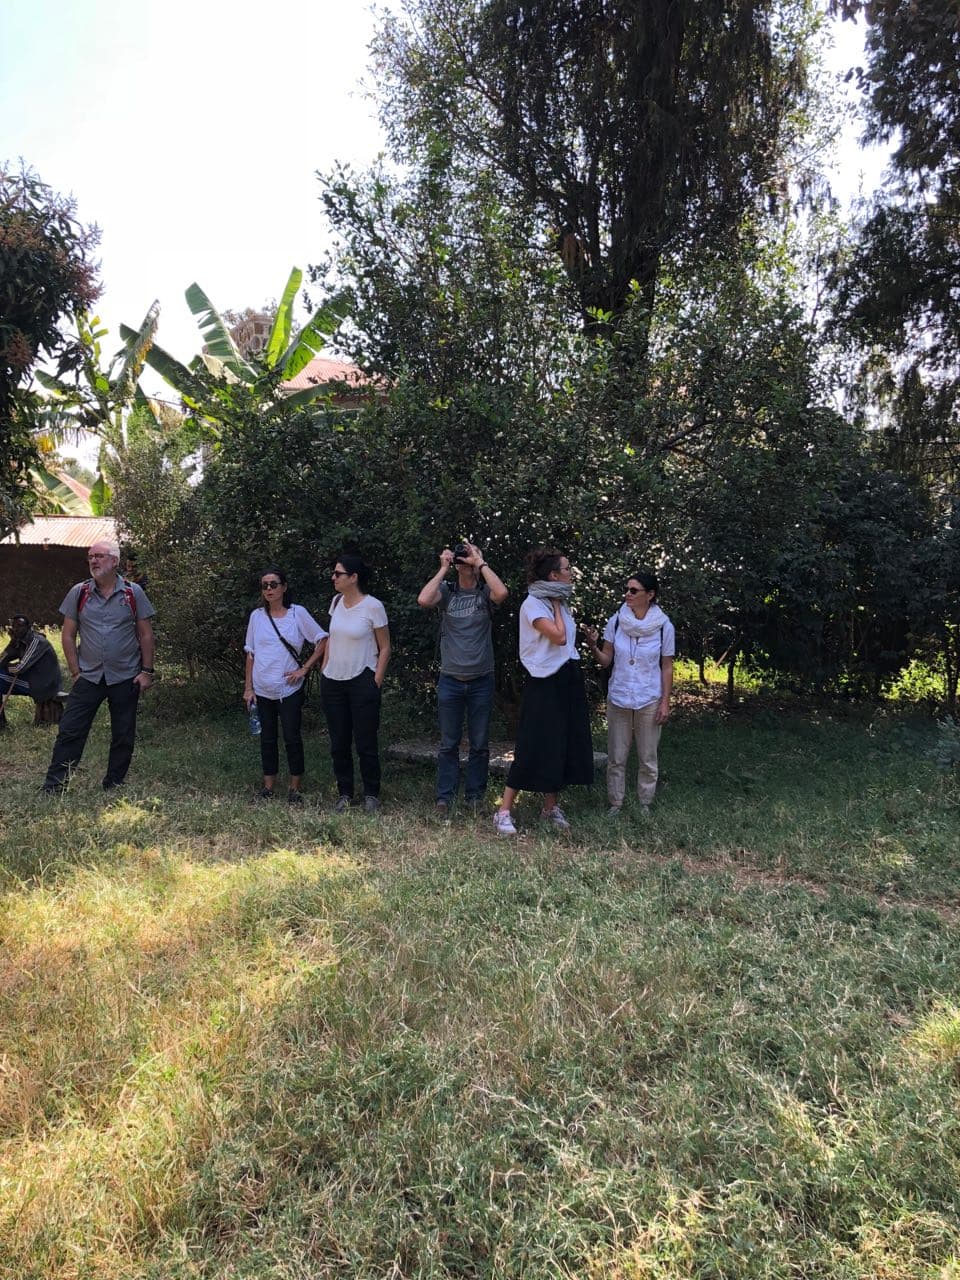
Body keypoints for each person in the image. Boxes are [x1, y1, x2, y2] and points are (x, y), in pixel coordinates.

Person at [40, 541, 155, 793]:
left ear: (114, 561)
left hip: (125, 676)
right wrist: (75, 672)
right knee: (70, 730)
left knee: (123, 733)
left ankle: (114, 784)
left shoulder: (133, 593)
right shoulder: (79, 592)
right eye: (90, 556)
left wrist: (146, 672)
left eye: (99, 556)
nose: (93, 560)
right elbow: (67, 635)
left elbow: (146, 634)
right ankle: (55, 785)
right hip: (89, 676)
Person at [494, 547, 594, 835]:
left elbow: (568, 645)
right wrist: (557, 606)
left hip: (567, 677)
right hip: (543, 681)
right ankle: (503, 811)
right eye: (567, 569)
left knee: (560, 743)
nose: (571, 573)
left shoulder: (560, 602)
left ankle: (550, 808)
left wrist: (559, 605)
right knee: (532, 744)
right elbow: (559, 637)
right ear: (553, 575)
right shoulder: (533, 604)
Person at [417, 540, 508, 816]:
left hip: (481, 679)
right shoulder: (447, 591)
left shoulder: (484, 592)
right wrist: (443, 568)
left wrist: (479, 562)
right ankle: (444, 798)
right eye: (462, 557)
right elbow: (423, 600)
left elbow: (502, 593)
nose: (464, 560)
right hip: (451, 679)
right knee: (448, 743)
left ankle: (475, 797)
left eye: (469, 556)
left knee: (479, 744)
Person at [583, 570, 675, 816]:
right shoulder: (616, 621)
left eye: (633, 590)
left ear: (650, 595)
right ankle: (616, 803)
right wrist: (593, 646)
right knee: (616, 755)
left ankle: (645, 803)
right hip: (619, 696)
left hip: (649, 697)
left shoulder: (664, 626)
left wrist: (665, 702)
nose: (627, 594)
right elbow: (606, 660)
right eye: (626, 589)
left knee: (648, 756)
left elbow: (667, 666)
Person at [243, 567, 328, 804]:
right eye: (265, 585)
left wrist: (304, 668)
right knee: (267, 739)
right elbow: (250, 653)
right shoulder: (257, 616)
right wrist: (248, 688)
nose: (269, 589)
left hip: (289, 689)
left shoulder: (297, 613)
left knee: (292, 737)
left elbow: (322, 640)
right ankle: (268, 787)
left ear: (284, 587)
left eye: (273, 584)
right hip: (262, 689)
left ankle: (294, 788)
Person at [320, 554, 391, 813]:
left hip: (362, 680)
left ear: (353, 577)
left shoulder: (373, 606)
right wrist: (325, 668)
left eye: (338, 573)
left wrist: (376, 680)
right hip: (333, 681)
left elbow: (385, 647)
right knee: (339, 742)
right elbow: (331, 638)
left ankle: (371, 793)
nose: (333, 577)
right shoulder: (336, 602)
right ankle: (345, 792)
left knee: (365, 742)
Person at [0, 615, 63, 729]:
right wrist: (12, 644)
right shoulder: (19, 641)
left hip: (44, 684)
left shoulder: (36, 641)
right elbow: (2, 659)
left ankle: (1, 724)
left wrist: (8, 666)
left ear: (29, 627)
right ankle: (1, 723)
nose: (16, 629)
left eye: (20, 626)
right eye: (14, 626)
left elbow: (19, 668)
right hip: (32, 678)